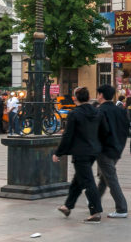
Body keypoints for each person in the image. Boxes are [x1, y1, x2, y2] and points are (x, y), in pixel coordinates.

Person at [53, 86, 103, 224]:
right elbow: (102, 131)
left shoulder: (75, 114)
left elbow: (67, 135)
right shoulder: (97, 112)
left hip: (81, 152)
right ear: (88, 98)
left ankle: (95, 212)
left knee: (87, 181)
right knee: (78, 180)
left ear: (75, 98)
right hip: (94, 150)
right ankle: (67, 206)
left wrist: (59, 152)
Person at [95, 84, 129, 218]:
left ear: (101, 95)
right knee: (105, 177)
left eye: (98, 94)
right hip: (117, 148)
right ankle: (94, 201)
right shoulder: (120, 110)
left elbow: (99, 131)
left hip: (104, 150)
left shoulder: (100, 111)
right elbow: (126, 129)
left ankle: (122, 208)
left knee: (111, 179)